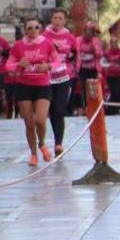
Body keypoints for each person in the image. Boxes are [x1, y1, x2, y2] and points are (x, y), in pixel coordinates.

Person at [5, 18, 62, 165]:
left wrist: (48, 67)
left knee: (41, 120)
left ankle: (42, 143)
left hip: (42, 85)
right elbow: (8, 66)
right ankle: (34, 154)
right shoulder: (18, 46)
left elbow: (57, 62)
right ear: (25, 30)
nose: (33, 30)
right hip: (24, 86)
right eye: (29, 28)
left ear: (40, 29)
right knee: (29, 123)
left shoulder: (47, 43)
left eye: (36, 27)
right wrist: (19, 64)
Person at [43, 8, 79, 156]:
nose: (57, 21)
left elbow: (74, 55)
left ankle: (59, 143)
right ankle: (50, 141)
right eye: (55, 18)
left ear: (65, 21)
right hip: (47, 78)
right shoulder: (44, 36)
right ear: (51, 20)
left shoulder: (70, 38)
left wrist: (71, 62)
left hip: (64, 77)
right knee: (51, 112)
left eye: (60, 18)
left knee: (59, 110)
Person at [76, 22, 104, 112]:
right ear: (84, 31)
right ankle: (86, 107)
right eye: (88, 31)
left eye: (92, 32)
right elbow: (75, 52)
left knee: (93, 87)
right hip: (82, 68)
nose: (90, 33)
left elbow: (100, 55)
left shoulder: (96, 41)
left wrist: (95, 50)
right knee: (84, 87)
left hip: (93, 68)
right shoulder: (78, 40)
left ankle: (94, 107)